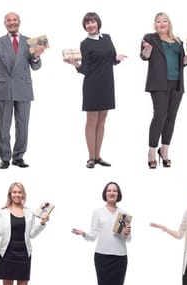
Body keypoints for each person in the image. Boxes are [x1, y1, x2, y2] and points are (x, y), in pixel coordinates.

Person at [0, 12, 44, 169]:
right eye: (9, 20)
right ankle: (5, 158)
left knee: (23, 125)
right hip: (5, 88)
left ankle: (18, 157)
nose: (12, 22)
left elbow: (35, 67)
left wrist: (37, 57)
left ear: (19, 22)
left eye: (14, 20)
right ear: (4, 23)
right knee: (3, 125)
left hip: (24, 88)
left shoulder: (30, 41)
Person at [65, 12, 127, 168]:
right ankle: (91, 158)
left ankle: (98, 156)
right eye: (87, 23)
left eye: (92, 22)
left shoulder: (107, 38)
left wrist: (117, 59)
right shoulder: (85, 44)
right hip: (92, 84)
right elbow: (85, 68)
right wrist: (75, 64)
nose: (90, 25)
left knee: (102, 120)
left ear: (98, 23)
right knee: (91, 120)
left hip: (107, 84)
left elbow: (111, 59)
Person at [70, 182, 131, 285]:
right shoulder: (98, 212)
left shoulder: (123, 214)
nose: (112, 193)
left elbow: (128, 239)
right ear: (105, 193)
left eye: (115, 191)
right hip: (102, 256)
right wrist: (84, 233)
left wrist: (126, 233)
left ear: (118, 194)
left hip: (120, 256)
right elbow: (93, 235)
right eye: (109, 190)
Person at [141, 12, 187, 169]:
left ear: (169, 23)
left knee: (171, 117)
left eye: (164, 21)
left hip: (177, 84)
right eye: (158, 21)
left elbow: (183, 62)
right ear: (155, 24)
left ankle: (164, 151)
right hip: (159, 84)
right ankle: (152, 151)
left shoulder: (177, 40)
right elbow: (144, 56)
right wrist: (147, 50)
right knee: (160, 116)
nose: (161, 23)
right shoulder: (150, 38)